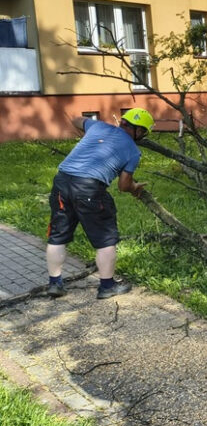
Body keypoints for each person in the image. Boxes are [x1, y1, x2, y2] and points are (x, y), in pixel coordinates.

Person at [46, 108, 154, 299]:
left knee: (57, 235)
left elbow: (76, 118)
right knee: (106, 239)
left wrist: (88, 132)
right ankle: (107, 286)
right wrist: (135, 188)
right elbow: (123, 185)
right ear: (139, 131)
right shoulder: (133, 151)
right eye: (144, 132)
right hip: (90, 189)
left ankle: (55, 284)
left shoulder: (97, 126)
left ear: (124, 122)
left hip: (62, 183)